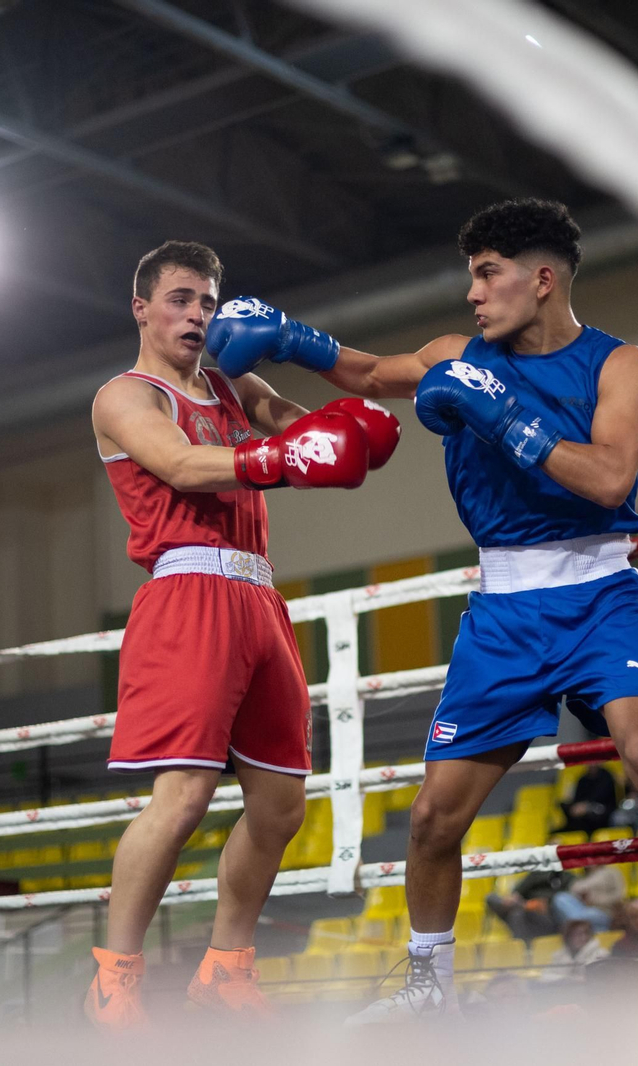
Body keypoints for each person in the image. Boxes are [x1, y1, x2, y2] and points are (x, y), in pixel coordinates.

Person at [209, 198, 638, 1021]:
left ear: (543, 279)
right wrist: (288, 338)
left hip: (597, 592)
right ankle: (429, 986)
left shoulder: (622, 365)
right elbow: (373, 375)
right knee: (430, 819)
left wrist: (504, 417)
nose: (473, 295)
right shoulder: (458, 354)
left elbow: (607, 480)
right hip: (504, 608)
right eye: (473, 276)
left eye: (488, 275)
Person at [84, 241, 399, 1029]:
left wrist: (352, 431)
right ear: (142, 309)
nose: (197, 315)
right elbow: (185, 466)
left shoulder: (232, 380)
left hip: (259, 595)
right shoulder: (124, 396)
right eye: (181, 299)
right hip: (186, 592)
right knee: (184, 796)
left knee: (282, 805)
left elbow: (305, 433)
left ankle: (226, 967)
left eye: (207, 303)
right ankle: (114, 978)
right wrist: (289, 451)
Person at [486, 868, 573, 941]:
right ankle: (513, 905)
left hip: (549, 917)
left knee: (517, 914)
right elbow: (517, 893)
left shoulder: (567, 878)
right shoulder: (536, 874)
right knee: (491, 898)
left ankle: (523, 949)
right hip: (524, 909)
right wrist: (515, 901)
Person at [549, 864, 627, 931]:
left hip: (602, 911)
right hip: (580, 908)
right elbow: (572, 892)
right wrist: (580, 895)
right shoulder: (581, 877)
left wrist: (594, 900)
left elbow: (619, 896)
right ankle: (578, 924)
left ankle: (575, 925)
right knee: (560, 898)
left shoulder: (612, 872)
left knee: (577, 916)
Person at [539, 919, 610, 982]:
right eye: (577, 934)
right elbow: (545, 976)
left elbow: (601, 980)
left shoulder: (601, 955)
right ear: (567, 937)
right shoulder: (559, 955)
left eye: (586, 933)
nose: (583, 938)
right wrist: (567, 980)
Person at [559, 763, 618, 834]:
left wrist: (586, 806)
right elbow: (577, 800)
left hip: (603, 811)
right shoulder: (583, 780)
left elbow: (604, 798)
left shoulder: (607, 777)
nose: (592, 764)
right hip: (584, 816)